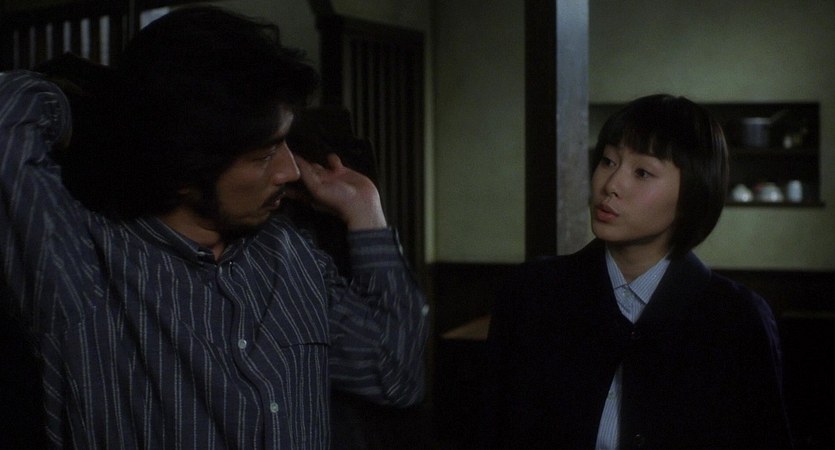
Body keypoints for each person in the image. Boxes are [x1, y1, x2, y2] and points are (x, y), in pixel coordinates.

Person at [0, 5, 427, 449]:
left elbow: (395, 374)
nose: (290, 171)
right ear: (184, 168)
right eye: (264, 155)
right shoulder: (82, 267)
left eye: (284, 143)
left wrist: (365, 211)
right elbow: (6, 119)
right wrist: (103, 105)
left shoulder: (288, 252)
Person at [483, 94, 793, 449]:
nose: (611, 185)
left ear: (692, 194)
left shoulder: (737, 319)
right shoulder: (532, 293)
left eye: (642, 172)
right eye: (608, 161)